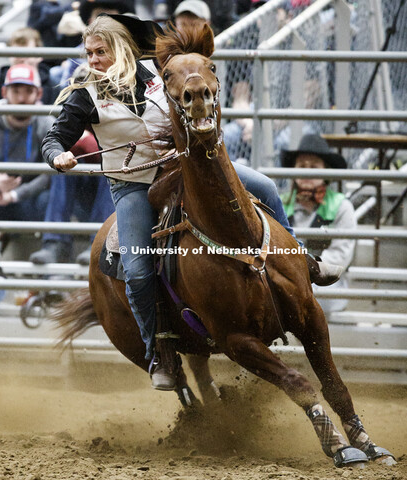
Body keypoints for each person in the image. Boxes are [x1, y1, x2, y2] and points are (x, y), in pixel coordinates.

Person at [41, 14, 341, 391]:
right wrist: (58, 156)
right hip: (133, 186)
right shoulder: (84, 96)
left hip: (186, 167)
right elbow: (54, 138)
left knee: (263, 186)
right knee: (135, 267)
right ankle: (159, 351)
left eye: (100, 52)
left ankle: (302, 259)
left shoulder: (160, 72)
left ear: (121, 51)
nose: (93, 60)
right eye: (89, 53)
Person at [280, 134, 356, 313]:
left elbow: (340, 257)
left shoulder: (342, 207)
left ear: (326, 172)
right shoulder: (280, 204)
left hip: (325, 284)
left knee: (314, 298)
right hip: (285, 280)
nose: (307, 172)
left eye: (314, 167)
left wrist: (301, 274)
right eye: (302, 166)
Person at [29, 130, 115, 265]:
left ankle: (98, 245)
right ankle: (55, 242)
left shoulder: (118, 110)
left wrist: (92, 144)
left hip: (111, 194)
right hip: (80, 198)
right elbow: (56, 138)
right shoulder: (76, 111)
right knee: (62, 163)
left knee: (111, 169)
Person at [0, 64, 53, 222]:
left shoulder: (46, 122)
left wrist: (15, 195)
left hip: (29, 196)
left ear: (39, 93)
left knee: (48, 197)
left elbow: (51, 174)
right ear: (4, 92)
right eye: (15, 91)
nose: (21, 99)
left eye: (28, 91)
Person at [0, 27, 56, 105]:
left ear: (40, 56)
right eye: (16, 53)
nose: (21, 58)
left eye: (27, 54)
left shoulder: (53, 86)